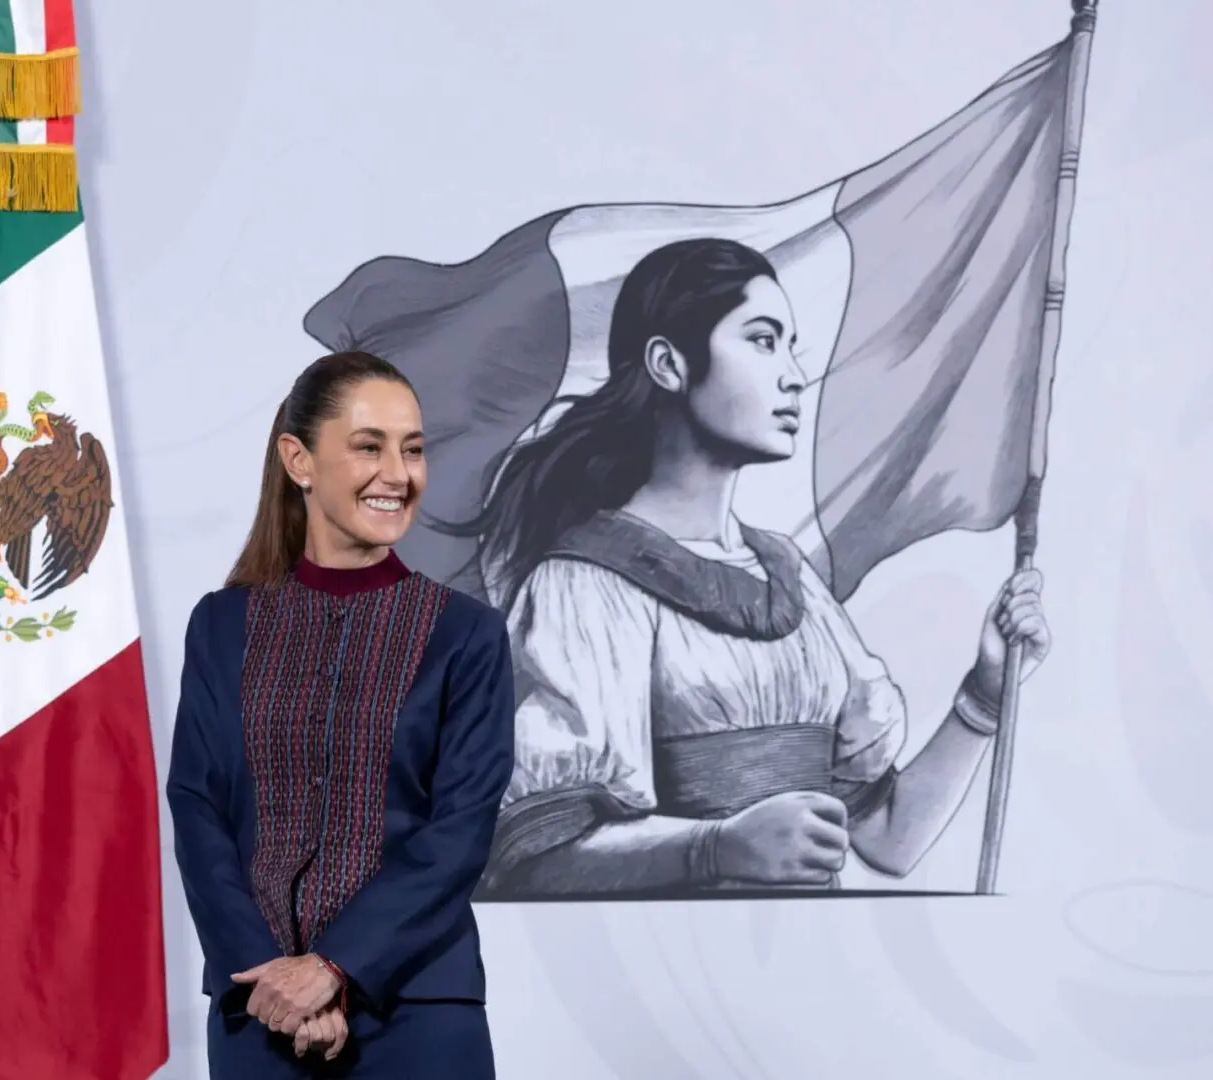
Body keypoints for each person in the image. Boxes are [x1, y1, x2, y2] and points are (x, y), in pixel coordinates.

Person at [437, 237, 1052, 897]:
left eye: (792, 347)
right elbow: (537, 857)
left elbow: (888, 839)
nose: (792, 374)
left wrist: (985, 694)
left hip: (807, 971)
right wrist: (717, 847)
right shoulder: (584, 585)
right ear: (668, 365)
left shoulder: (792, 582)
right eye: (763, 341)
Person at [166, 350, 516, 1076]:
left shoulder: (467, 635)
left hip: (418, 1009)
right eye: (369, 446)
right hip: (256, 1007)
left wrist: (336, 967)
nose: (399, 473)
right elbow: (198, 808)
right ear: (298, 459)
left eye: (413, 449)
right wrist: (266, 972)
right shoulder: (221, 625)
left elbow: (459, 832)